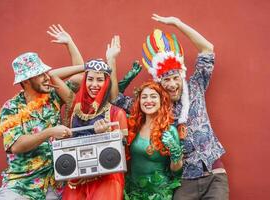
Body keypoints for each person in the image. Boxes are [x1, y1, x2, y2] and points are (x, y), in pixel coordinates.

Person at [112, 14, 229, 200]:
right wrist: (113, 61)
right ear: (160, 83)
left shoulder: (195, 88)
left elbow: (207, 49)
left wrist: (178, 23)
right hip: (185, 179)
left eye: (176, 78)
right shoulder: (154, 106)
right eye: (167, 79)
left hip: (214, 174)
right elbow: (116, 99)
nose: (172, 84)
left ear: (182, 77)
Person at [0, 25, 85, 200]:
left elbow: (80, 77)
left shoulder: (53, 96)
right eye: (40, 74)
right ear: (27, 81)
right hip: (20, 186)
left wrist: (70, 44)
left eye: (45, 72)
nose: (47, 77)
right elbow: (16, 146)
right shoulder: (11, 108)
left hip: (51, 185)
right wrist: (50, 132)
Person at [55, 36, 128, 200]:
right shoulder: (74, 106)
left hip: (106, 179)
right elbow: (52, 76)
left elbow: (123, 155)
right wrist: (84, 65)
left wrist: (105, 135)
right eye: (90, 79)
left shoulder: (116, 114)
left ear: (106, 83)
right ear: (84, 80)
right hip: (76, 177)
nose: (94, 84)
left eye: (100, 80)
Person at [124, 81, 182, 200]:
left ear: (161, 101)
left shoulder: (170, 130)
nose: (148, 100)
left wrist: (175, 152)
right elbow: (113, 100)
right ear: (139, 101)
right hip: (133, 192)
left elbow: (176, 172)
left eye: (153, 96)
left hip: (159, 194)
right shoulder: (133, 125)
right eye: (144, 97)